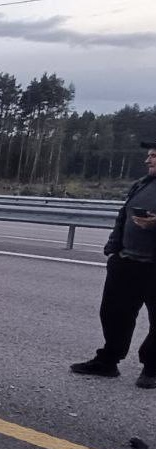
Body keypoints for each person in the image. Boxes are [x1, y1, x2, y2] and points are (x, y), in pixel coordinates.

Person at [71, 142, 156, 389]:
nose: (147, 160)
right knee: (114, 314)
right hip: (126, 262)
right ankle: (108, 360)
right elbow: (123, 216)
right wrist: (114, 249)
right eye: (149, 156)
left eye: (153, 156)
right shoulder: (142, 184)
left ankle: (152, 368)